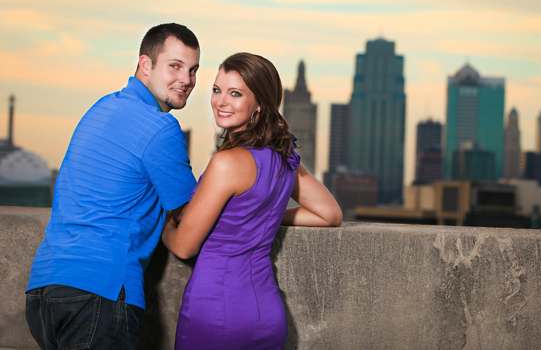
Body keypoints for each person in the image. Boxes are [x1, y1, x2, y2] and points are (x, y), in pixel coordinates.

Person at [25, 23, 200, 350]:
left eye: (193, 70)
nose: (187, 80)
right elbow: (194, 216)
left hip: (44, 288)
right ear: (146, 64)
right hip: (99, 290)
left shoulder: (101, 108)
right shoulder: (160, 127)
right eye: (175, 66)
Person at [162, 52, 342, 350]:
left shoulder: (227, 163)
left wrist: (167, 223)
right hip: (266, 315)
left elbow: (183, 246)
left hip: (215, 311)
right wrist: (264, 216)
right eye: (217, 90)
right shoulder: (284, 157)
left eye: (235, 93)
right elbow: (329, 214)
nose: (221, 101)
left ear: (259, 104)